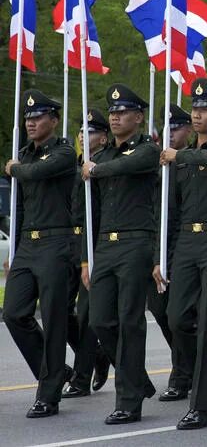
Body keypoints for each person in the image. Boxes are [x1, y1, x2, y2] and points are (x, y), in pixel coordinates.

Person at [155, 79, 207, 430]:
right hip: (187, 241)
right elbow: (171, 211)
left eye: (205, 109)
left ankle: (200, 406)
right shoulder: (180, 160)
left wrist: (180, 155)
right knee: (176, 318)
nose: (197, 113)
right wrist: (162, 256)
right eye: (195, 108)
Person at [81, 85, 160, 424]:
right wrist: (86, 257)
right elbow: (89, 212)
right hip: (105, 247)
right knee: (100, 320)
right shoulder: (102, 157)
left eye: (123, 111)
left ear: (138, 117)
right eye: (112, 112)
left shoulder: (146, 149)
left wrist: (95, 169)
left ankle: (128, 401)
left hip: (135, 243)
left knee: (129, 321)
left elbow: (135, 164)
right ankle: (137, 381)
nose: (114, 116)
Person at [3, 90, 76, 418]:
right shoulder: (23, 156)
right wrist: (15, 248)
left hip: (55, 242)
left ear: (54, 120)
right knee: (14, 314)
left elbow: (34, 173)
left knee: (54, 318)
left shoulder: (63, 152)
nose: (31, 123)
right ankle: (57, 373)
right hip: (28, 246)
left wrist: (15, 169)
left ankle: (48, 394)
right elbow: (19, 207)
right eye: (28, 118)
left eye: (38, 117)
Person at [63, 109, 110, 399]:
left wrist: (86, 258)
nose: (83, 135)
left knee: (88, 313)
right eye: (82, 130)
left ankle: (80, 379)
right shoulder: (74, 164)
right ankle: (96, 355)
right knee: (60, 310)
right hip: (67, 242)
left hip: (93, 244)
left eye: (90, 131)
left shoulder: (103, 166)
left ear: (103, 138)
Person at [150, 104, 194, 402]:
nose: (170, 134)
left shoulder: (189, 161)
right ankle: (187, 367)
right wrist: (157, 257)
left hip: (185, 246)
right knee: (159, 309)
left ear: (188, 130)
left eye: (176, 128)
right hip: (159, 247)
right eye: (166, 129)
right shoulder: (156, 164)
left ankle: (184, 373)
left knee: (183, 315)